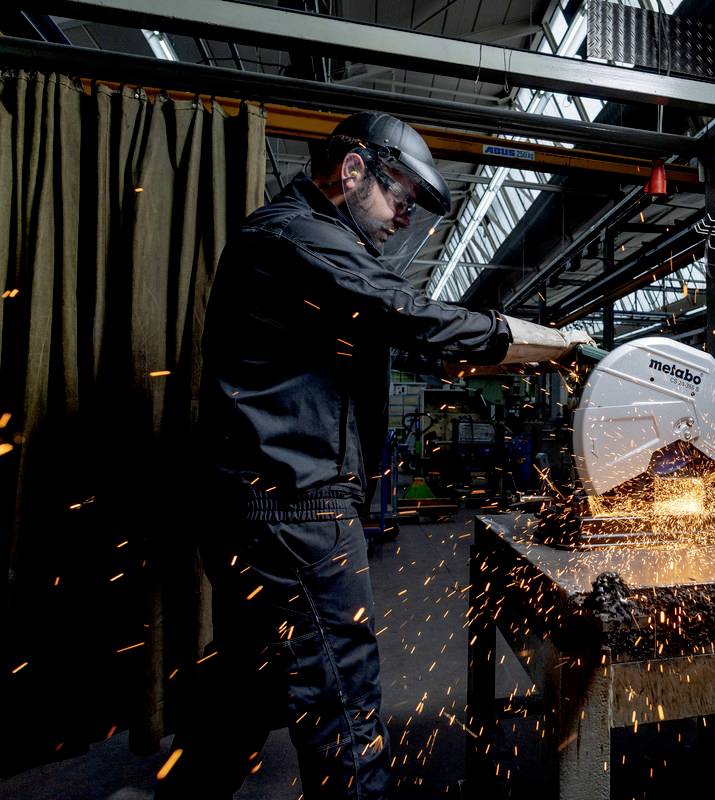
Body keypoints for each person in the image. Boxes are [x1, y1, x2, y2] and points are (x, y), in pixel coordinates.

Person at [155, 111, 591, 799]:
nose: (402, 220)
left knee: (255, 681)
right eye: (400, 199)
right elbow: (404, 311)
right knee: (344, 706)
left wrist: (464, 358)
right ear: (353, 170)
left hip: (261, 507)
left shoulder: (302, 247)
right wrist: (545, 340)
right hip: (297, 512)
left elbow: (397, 336)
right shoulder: (301, 233)